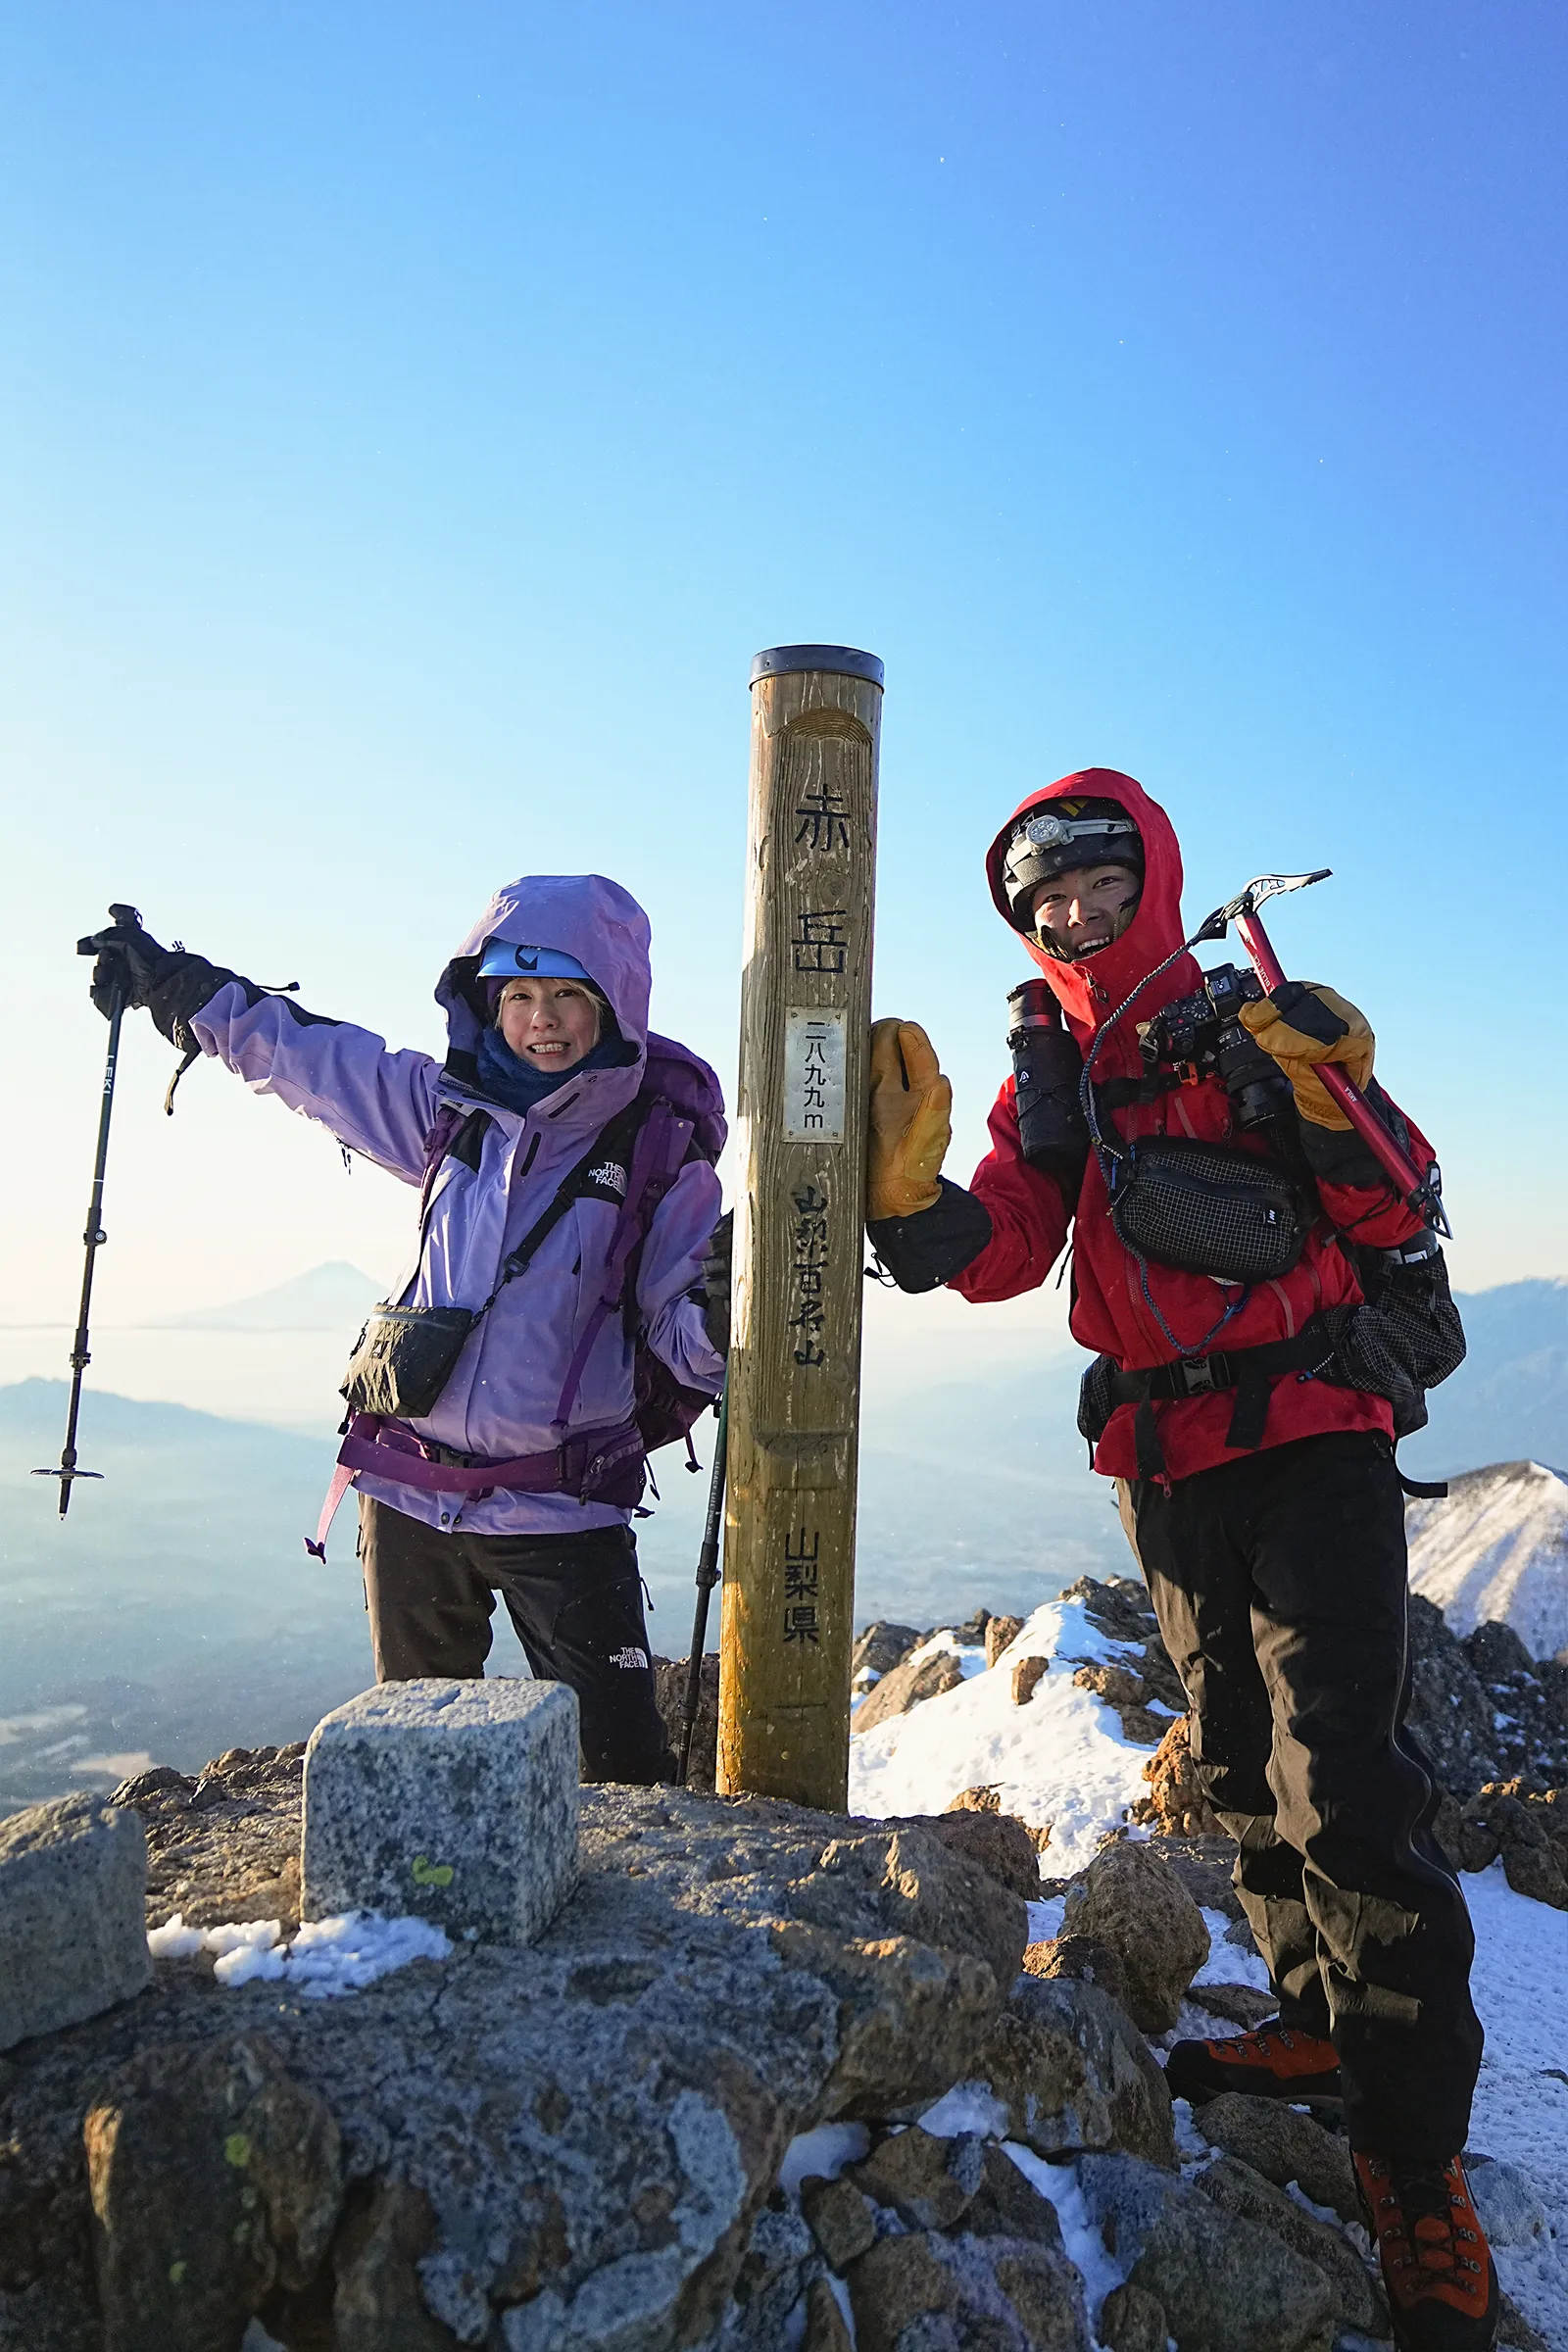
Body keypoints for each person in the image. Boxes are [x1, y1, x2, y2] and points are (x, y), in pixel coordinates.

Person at [864, 770, 1495, 2351]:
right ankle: (1311, 2024)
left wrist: (1331, 1083)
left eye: (1091, 880)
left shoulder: (1240, 1029)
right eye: (1040, 897)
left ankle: (1415, 2166)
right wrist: (918, 1214)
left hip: (1313, 1439)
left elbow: (1396, 1192)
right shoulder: (1054, 1072)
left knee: (1346, 1778)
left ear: (1149, 877)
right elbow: (1021, 1228)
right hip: (1164, 1462)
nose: (1066, 912)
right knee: (1232, 1766)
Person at [87, 873, 729, 1786]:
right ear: (489, 1004)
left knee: (617, 1772)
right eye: (519, 996)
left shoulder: (659, 1155)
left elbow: (680, 1339)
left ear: (612, 1005)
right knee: (417, 1770)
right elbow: (315, 1061)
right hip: (408, 1493)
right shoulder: (448, 1112)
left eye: (566, 997)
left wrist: (721, 1309)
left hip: (563, 1507)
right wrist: (183, 990)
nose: (541, 1019)